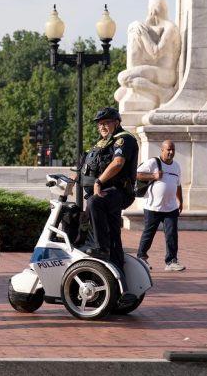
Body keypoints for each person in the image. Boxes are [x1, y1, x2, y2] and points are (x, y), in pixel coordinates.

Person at [77, 107, 138, 268]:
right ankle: (117, 272)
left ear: (117, 123)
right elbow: (89, 166)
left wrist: (98, 182)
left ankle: (101, 248)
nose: (102, 127)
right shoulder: (102, 143)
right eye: (99, 124)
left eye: (106, 123)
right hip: (107, 192)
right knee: (113, 233)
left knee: (94, 203)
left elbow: (118, 163)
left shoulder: (124, 139)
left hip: (119, 191)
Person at [136, 140, 186, 272]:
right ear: (162, 150)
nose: (171, 152)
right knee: (149, 233)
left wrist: (180, 201)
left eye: (173, 150)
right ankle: (141, 258)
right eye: (168, 149)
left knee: (172, 235)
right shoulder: (153, 162)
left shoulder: (176, 166)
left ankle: (171, 261)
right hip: (153, 207)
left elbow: (178, 185)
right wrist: (153, 175)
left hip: (171, 207)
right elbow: (137, 174)